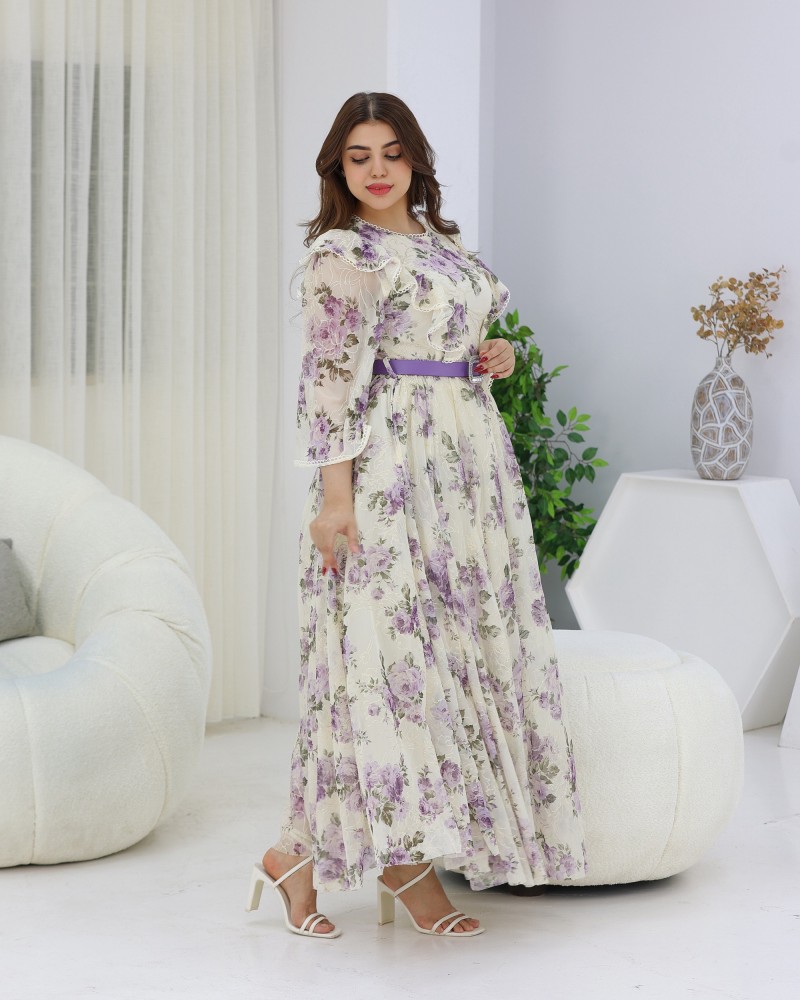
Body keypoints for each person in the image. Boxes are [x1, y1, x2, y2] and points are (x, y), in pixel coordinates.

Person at [246, 92, 588, 939]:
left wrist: (496, 354)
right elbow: (328, 383)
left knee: (454, 649)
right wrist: (336, 501)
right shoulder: (342, 254)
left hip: (467, 471)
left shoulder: (440, 244)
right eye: (358, 156)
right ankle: (399, 862)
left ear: (415, 160)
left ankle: (297, 852)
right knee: (380, 657)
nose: (377, 170)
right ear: (338, 167)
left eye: (392, 153)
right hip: (391, 471)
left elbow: (459, 339)